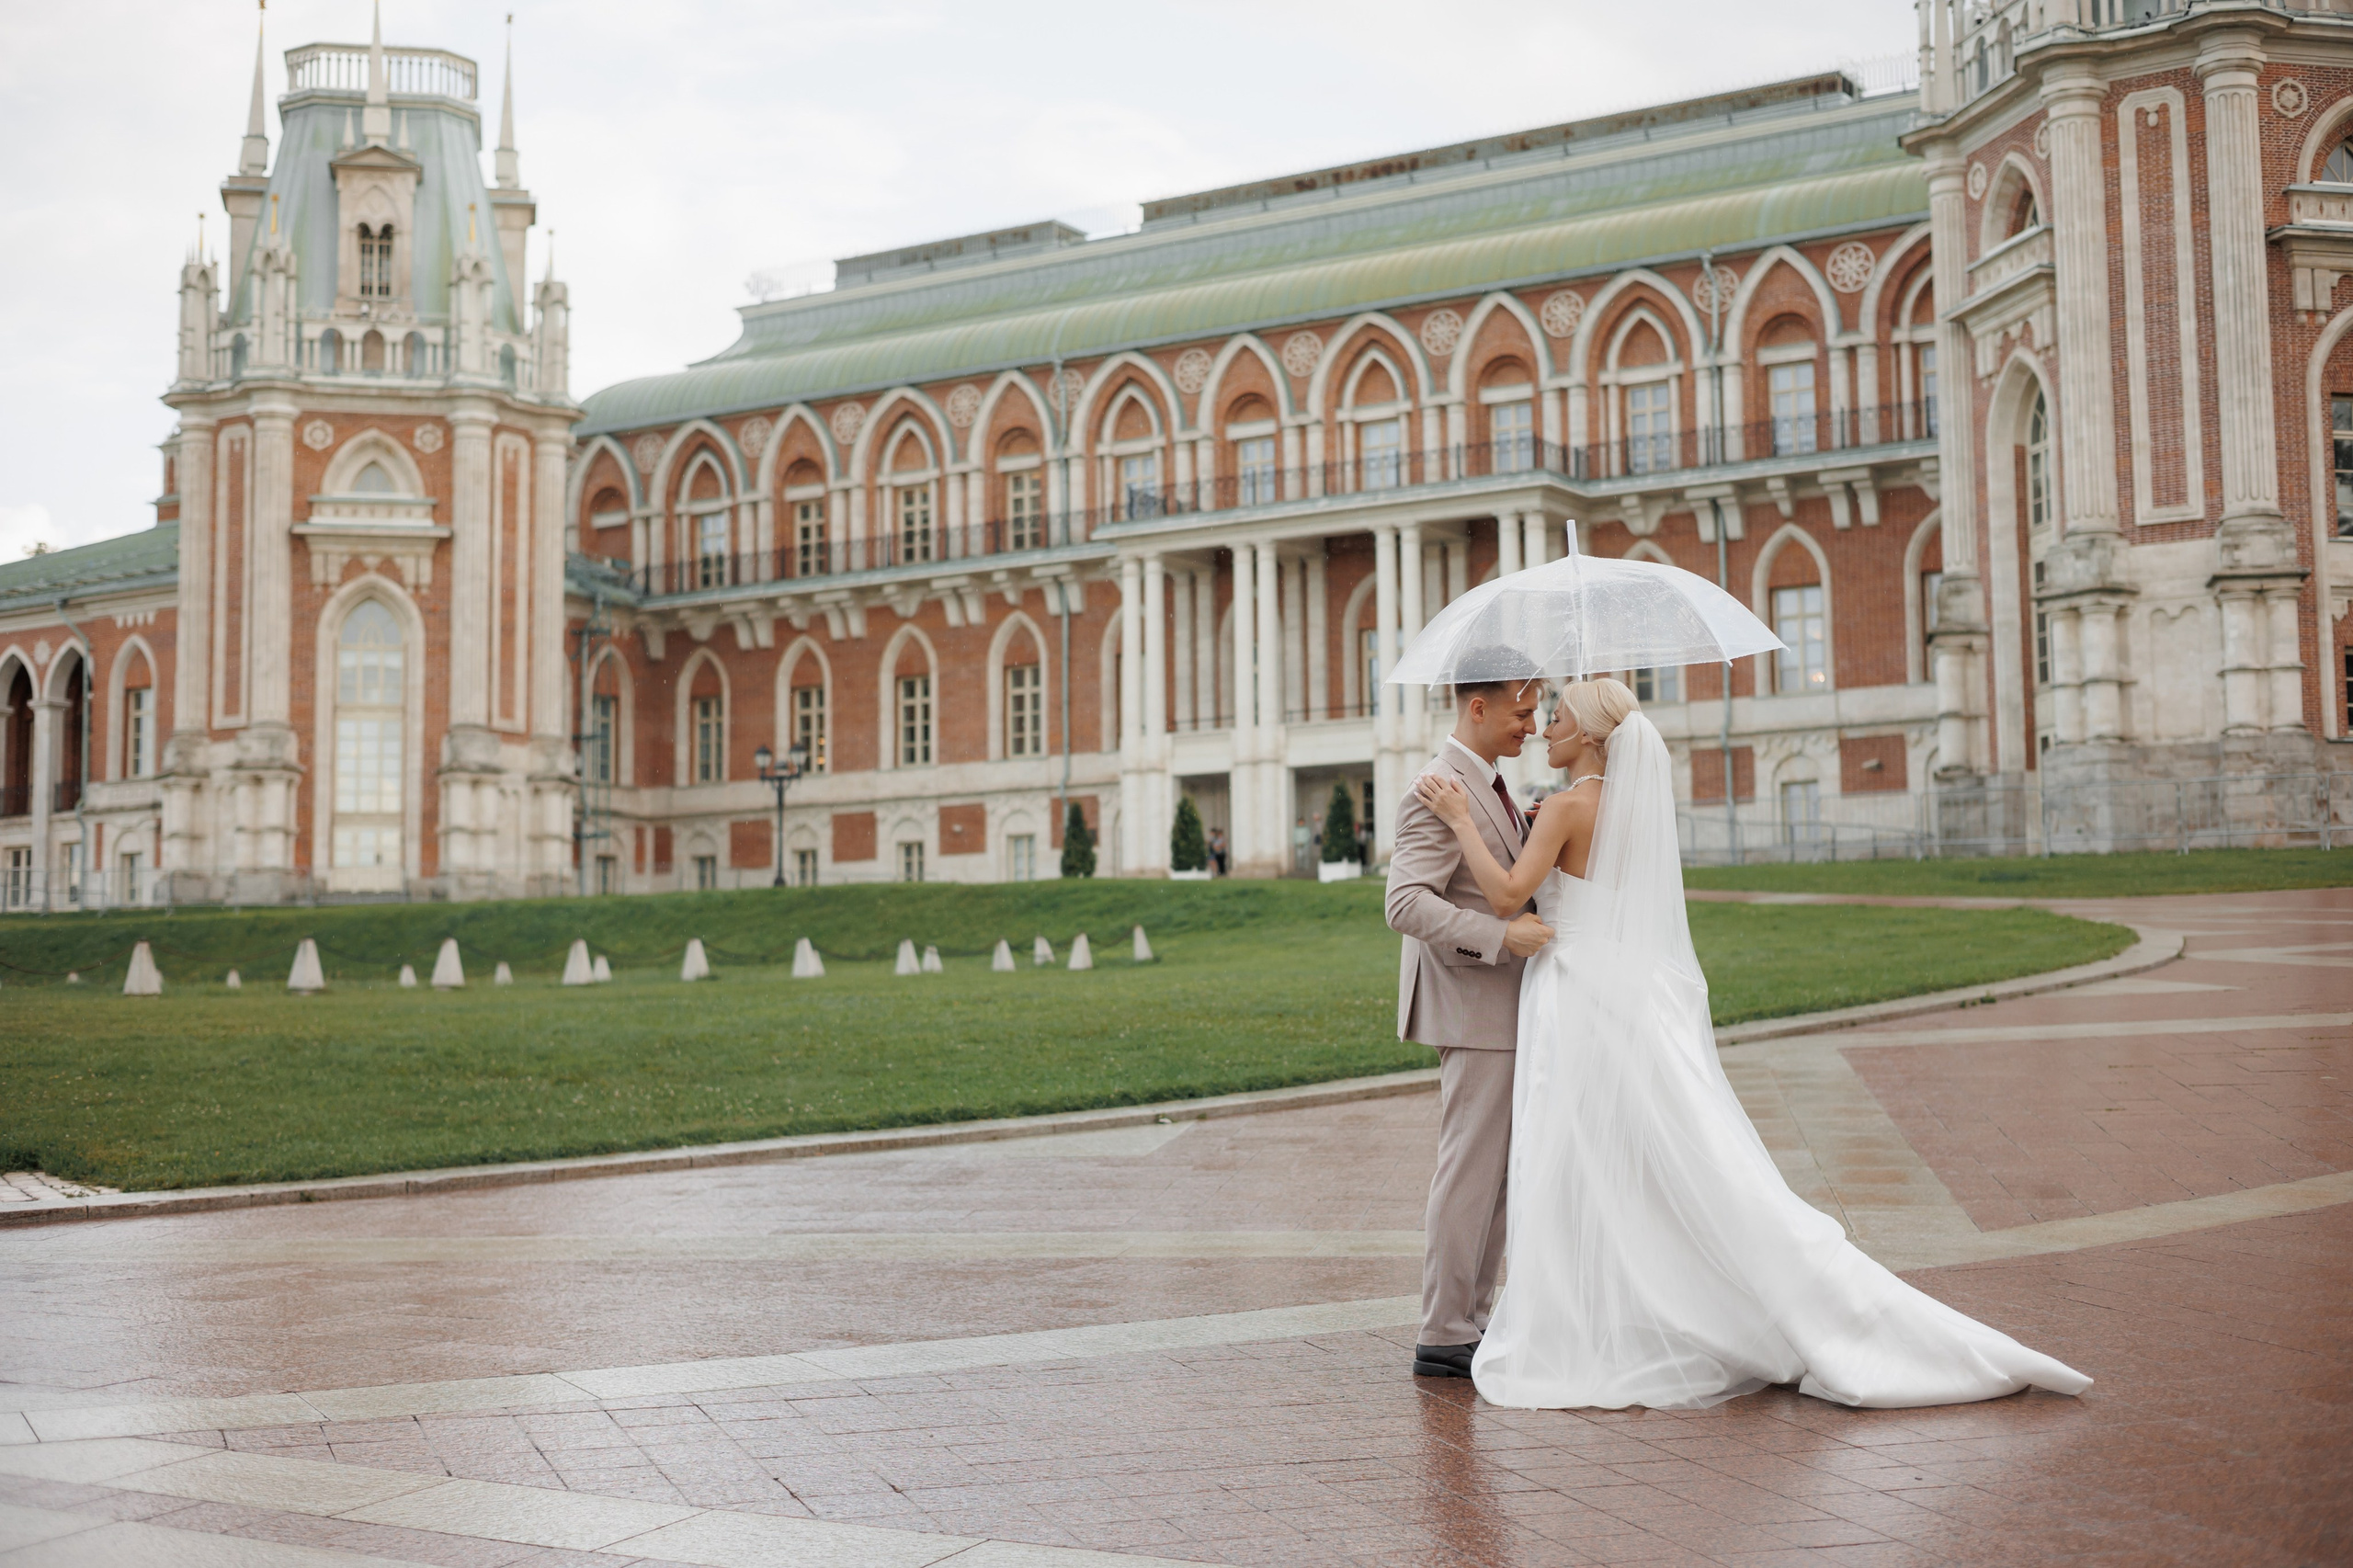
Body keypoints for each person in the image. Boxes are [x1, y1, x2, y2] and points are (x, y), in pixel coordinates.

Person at [1414, 677, 2090, 1410]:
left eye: (1558, 717)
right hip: (1610, 990)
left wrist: (1461, 820)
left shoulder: (1570, 806)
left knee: (1569, 1161)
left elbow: (1511, 897)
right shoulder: (1622, 809)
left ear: (1591, 738)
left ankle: (1584, 1313)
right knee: (1634, 1159)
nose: (1546, 727)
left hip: (1573, 994)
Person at [1383, 676, 1555, 1381]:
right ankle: (1445, 1329)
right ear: (1477, 708)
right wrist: (1497, 937)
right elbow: (1405, 904)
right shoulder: (1437, 787)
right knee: (1470, 1172)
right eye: (1522, 712)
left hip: (1500, 1008)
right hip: (1474, 1004)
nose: (1534, 726)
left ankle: (1469, 1321)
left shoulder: (1489, 783)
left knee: (1497, 1178)